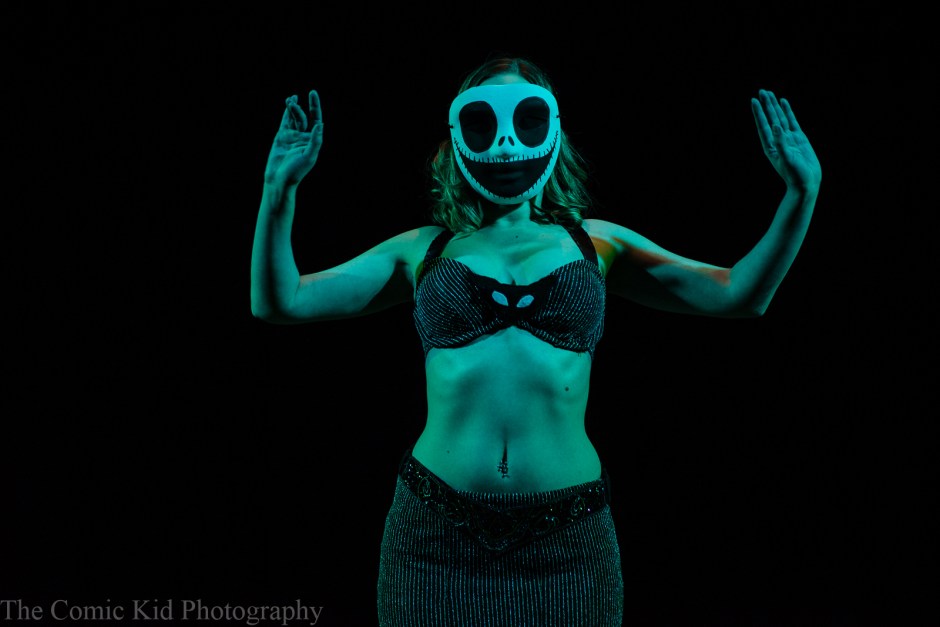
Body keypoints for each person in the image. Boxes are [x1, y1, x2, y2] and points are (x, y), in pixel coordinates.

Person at [250, 56, 821, 626]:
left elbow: (738, 294)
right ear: (459, 136)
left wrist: (801, 193)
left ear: (551, 131)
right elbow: (282, 301)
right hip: (433, 538)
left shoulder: (597, 244)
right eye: (482, 123)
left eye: (526, 119)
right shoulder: (423, 249)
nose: (505, 144)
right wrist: (279, 189)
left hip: (567, 542)